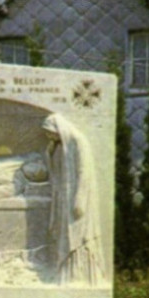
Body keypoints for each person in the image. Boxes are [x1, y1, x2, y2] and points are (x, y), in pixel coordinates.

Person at [41, 113, 107, 285]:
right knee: (64, 236)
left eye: (49, 132)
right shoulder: (59, 146)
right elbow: (53, 173)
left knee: (77, 235)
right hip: (63, 198)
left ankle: (79, 276)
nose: (48, 136)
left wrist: (80, 198)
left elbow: (84, 172)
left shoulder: (78, 141)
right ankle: (64, 274)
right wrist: (48, 153)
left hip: (76, 198)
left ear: (58, 128)